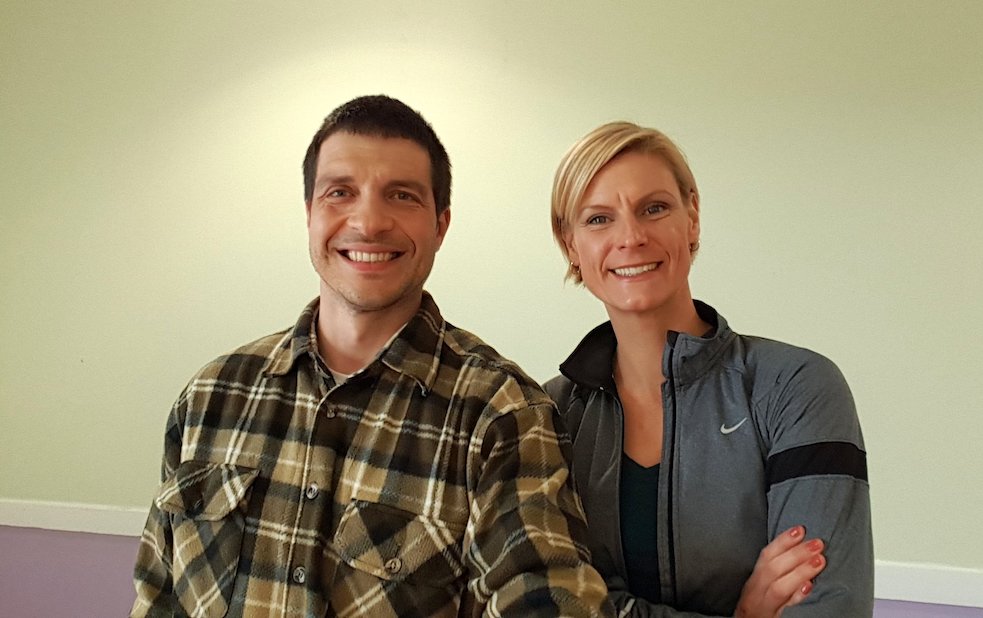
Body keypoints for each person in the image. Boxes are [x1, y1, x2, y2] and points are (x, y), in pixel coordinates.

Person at [131, 95, 613, 617]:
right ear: (310, 214)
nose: (369, 221)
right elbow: (157, 598)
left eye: (402, 196)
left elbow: (546, 598)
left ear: (440, 225)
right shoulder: (210, 396)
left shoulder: (502, 413)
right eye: (340, 192)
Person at [543, 121, 873, 616]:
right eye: (598, 219)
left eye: (654, 208)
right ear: (570, 244)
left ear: (692, 217)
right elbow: (557, 605)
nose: (631, 237)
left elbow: (828, 605)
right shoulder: (546, 415)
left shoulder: (795, 387)